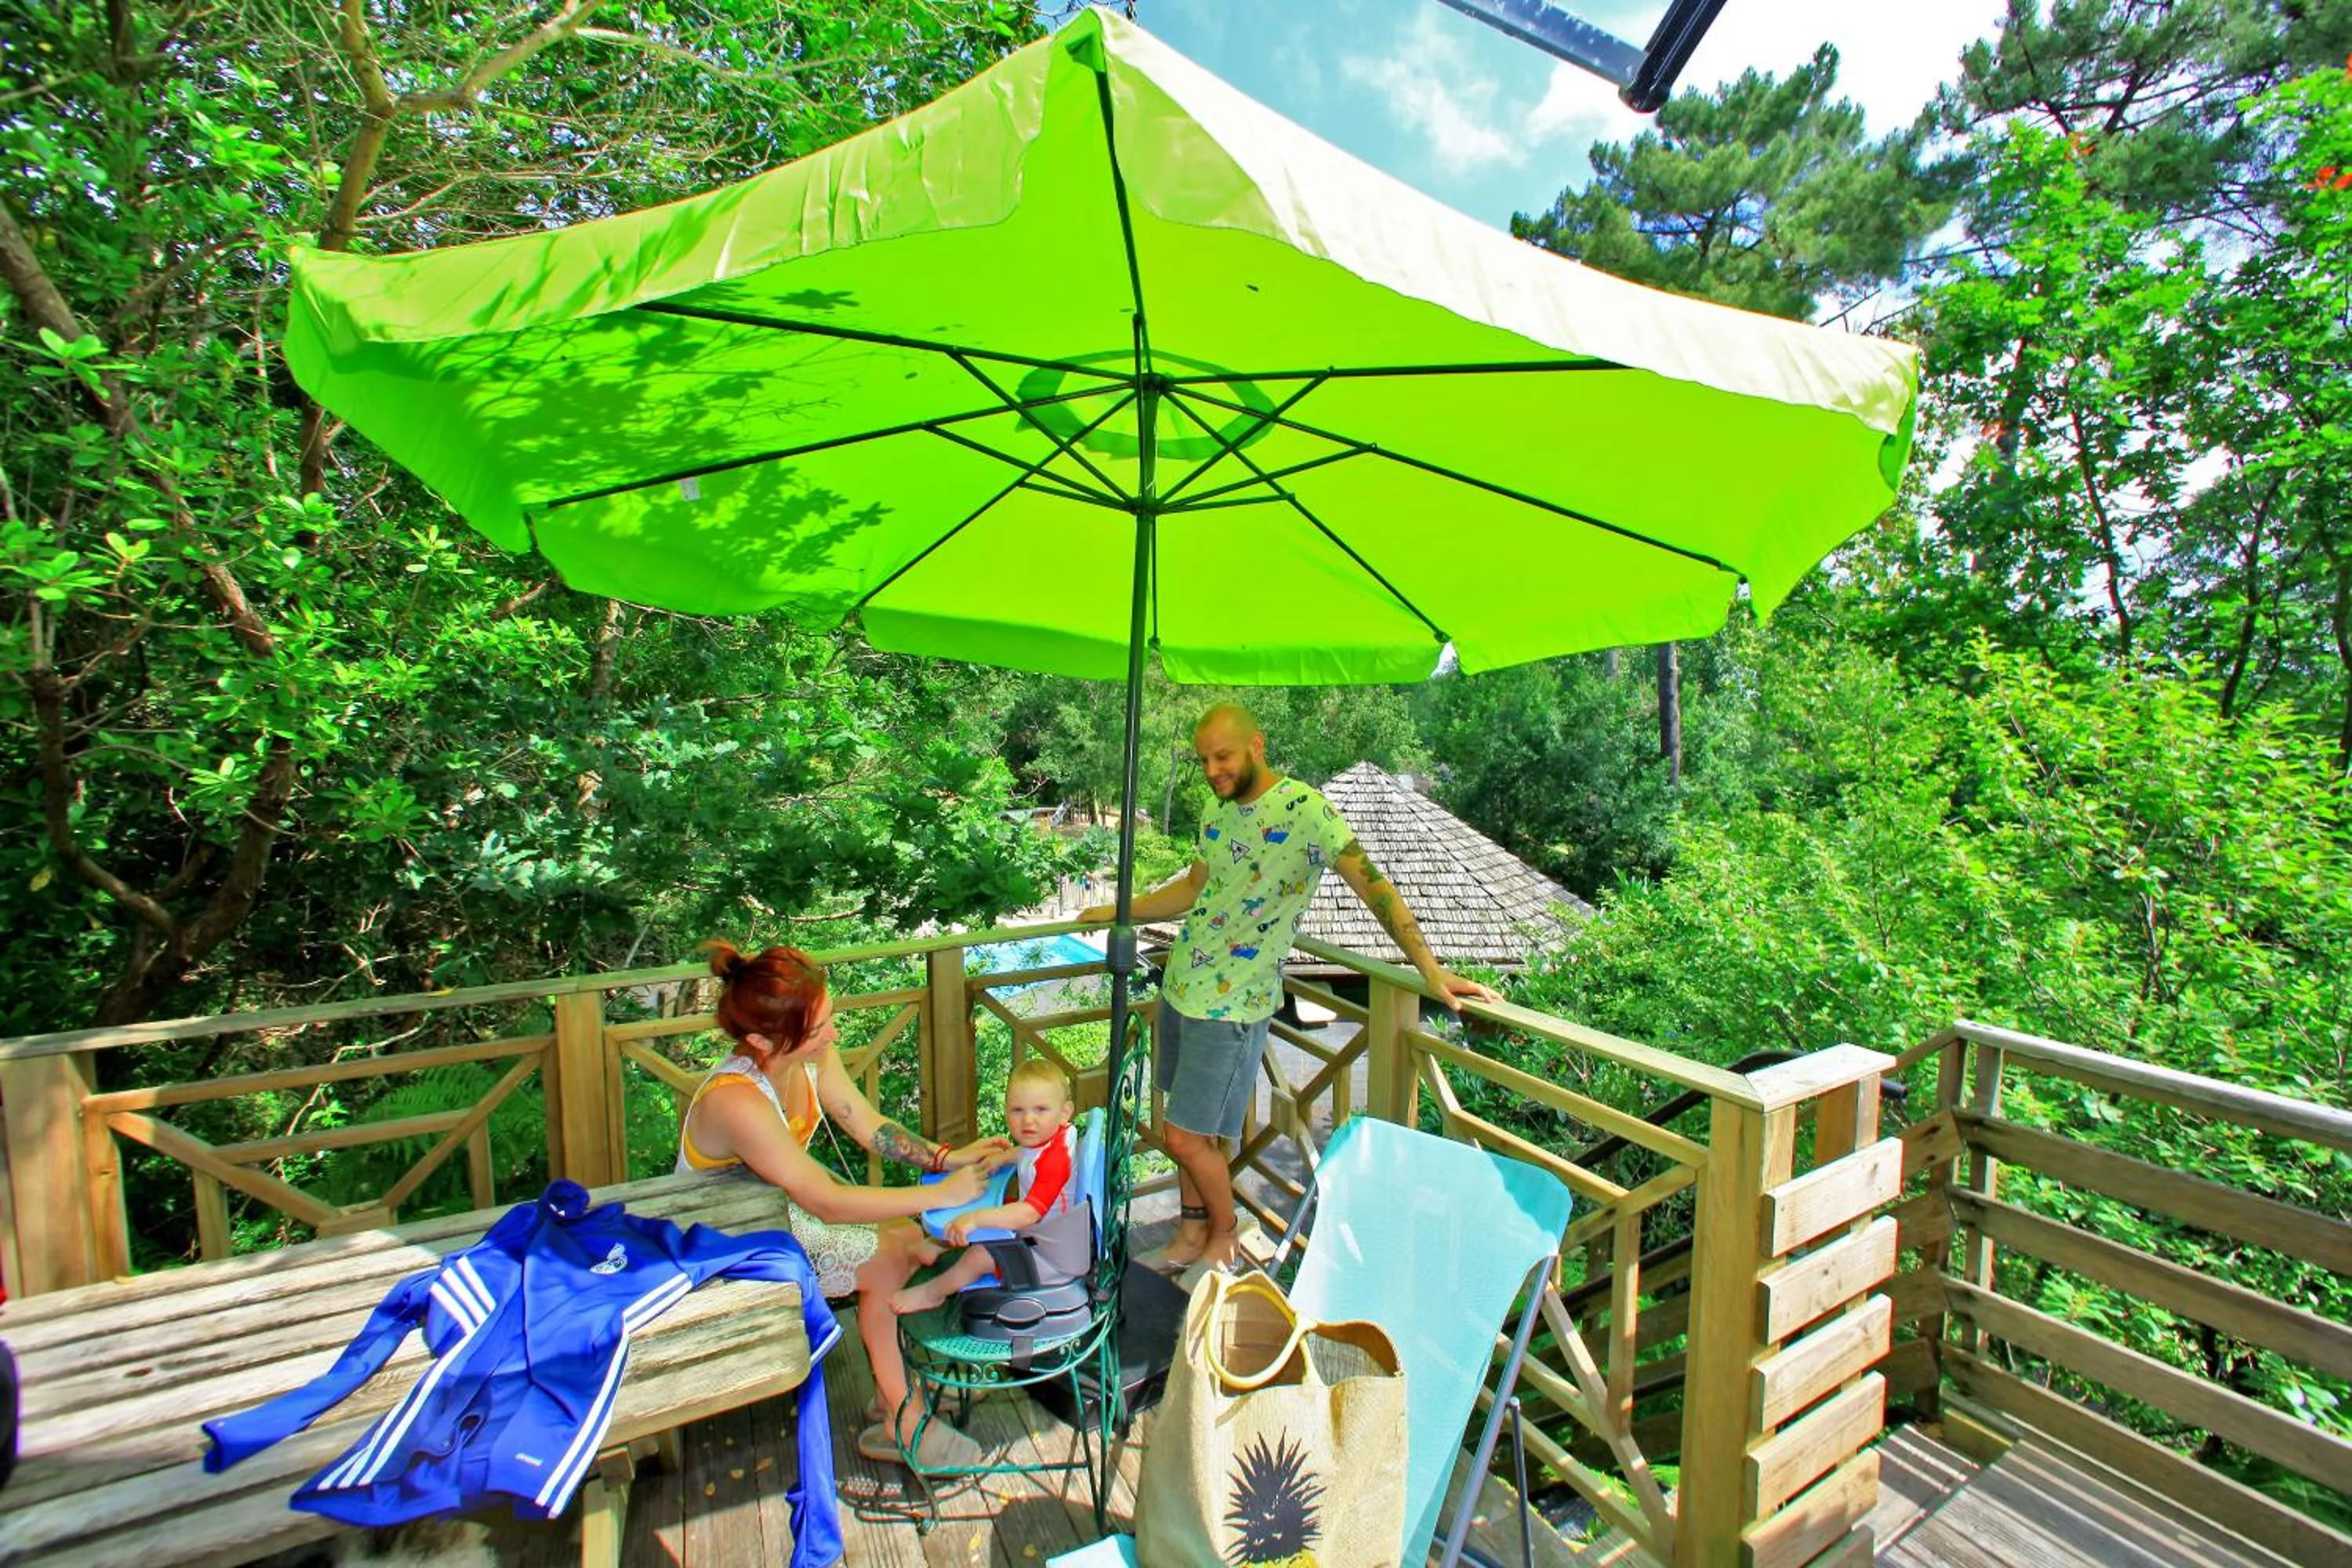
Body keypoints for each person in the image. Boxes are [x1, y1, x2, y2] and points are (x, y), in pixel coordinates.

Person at [1080, 702, 1502, 1272]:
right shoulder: (1216, 808)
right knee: (1188, 1126)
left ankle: (1225, 1235)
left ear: (1256, 745)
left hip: (1234, 1004)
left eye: (1223, 756)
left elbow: (1374, 887)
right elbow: (1196, 888)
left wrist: (1429, 970)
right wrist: (1118, 907)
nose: (1212, 770)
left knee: (1183, 1137)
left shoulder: (1306, 809)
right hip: (1182, 986)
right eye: (1204, 759)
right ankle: (1190, 1231)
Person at [679, 940, 1012, 1469]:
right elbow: (828, 1202)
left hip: (778, 1213)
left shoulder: (805, 1049)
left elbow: (866, 1125)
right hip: (727, 1244)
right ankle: (904, 1419)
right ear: (761, 1039)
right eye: (819, 1030)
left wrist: (948, 1160)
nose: (832, 1035)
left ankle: (890, 1392)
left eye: (829, 1019)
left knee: (907, 1236)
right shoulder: (735, 1101)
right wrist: (941, 1194)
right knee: (887, 1259)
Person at [889, 1058, 1081, 1315]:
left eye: (1040, 1109)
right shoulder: (1050, 1137)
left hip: (1050, 1258)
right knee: (994, 1210)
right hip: (1042, 1233)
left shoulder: (1057, 1159)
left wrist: (976, 1218)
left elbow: (1028, 1213)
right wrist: (1003, 1157)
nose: (1028, 1121)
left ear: (1065, 1112)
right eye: (1017, 1110)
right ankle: (937, 1244)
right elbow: (1029, 1153)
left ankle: (932, 1294)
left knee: (978, 1256)